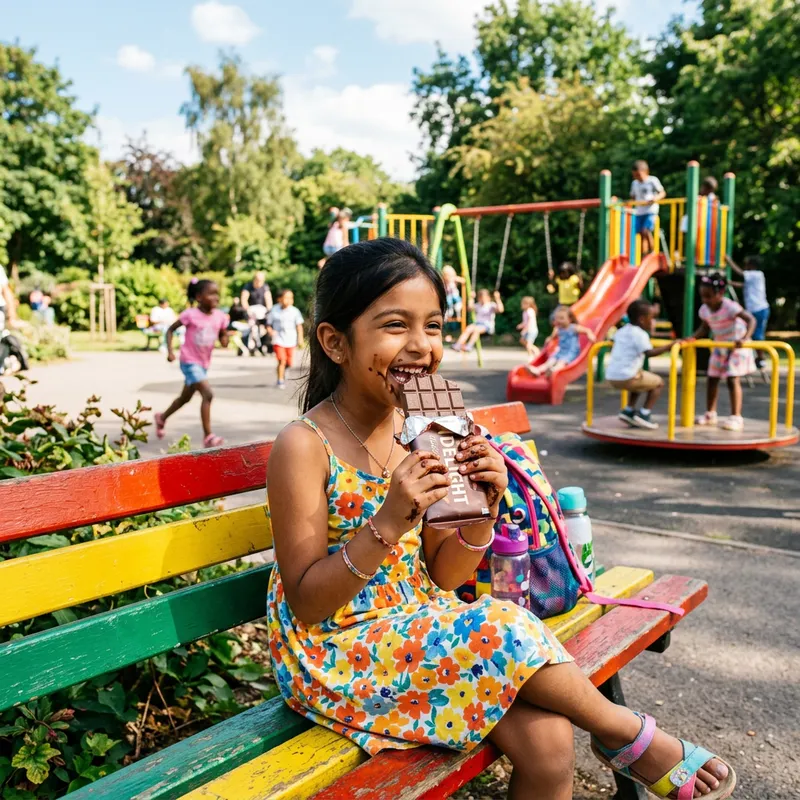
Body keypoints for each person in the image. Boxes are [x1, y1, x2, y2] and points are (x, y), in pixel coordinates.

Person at [265, 237, 734, 800]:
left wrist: (483, 512)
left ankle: (615, 736)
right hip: (336, 652)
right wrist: (387, 523)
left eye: (433, 326)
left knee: (550, 744)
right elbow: (308, 603)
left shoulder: (428, 426)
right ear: (335, 342)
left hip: (416, 626)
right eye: (395, 326)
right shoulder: (304, 445)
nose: (421, 346)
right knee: (503, 624)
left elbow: (444, 577)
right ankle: (625, 734)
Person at [154, 280, 229, 448]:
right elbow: (170, 329)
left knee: (185, 398)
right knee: (207, 394)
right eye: (211, 294)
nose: (216, 298)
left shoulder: (220, 316)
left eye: (217, 294)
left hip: (203, 364)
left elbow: (223, 334)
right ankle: (208, 436)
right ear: (199, 297)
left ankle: (162, 417)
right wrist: (170, 351)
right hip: (189, 361)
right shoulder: (190, 314)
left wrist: (225, 339)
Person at [607, 299, 684, 430]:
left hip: (612, 376)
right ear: (642, 320)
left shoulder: (622, 330)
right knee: (659, 383)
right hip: (627, 376)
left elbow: (612, 339)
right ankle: (644, 414)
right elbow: (649, 352)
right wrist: (670, 346)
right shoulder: (640, 334)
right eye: (652, 318)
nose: (653, 321)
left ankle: (628, 410)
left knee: (641, 378)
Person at [693, 273, 756, 432]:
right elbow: (705, 328)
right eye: (702, 296)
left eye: (709, 296)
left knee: (732, 379)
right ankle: (710, 413)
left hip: (736, 345)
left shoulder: (730, 307)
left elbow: (751, 320)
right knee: (712, 378)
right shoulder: (704, 310)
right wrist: (691, 338)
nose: (705, 300)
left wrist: (744, 338)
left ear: (720, 293)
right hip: (720, 345)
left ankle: (736, 417)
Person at [525, 305, 596, 377]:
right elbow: (552, 337)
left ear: (570, 319)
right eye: (557, 318)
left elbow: (587, 330)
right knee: (550, 361)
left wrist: (590, 334)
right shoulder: (558, 329)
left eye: (562, 318)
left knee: (561, 362)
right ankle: (538, 370)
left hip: (571, 352)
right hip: (561, 351)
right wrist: (549, 339)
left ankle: (554, 370)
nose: (559, 320)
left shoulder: (573, 328)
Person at [728, 253, 769, 370]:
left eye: (746, 264)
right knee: (749, 332)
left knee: (757, 335)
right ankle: (756, 357)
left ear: (752, 265)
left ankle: (761, 359)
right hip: (754, 309)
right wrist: (729, 283)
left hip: (759, 309)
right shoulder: (753, 277)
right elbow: (743, 285)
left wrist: (729, 261)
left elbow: (740, 273)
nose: (745, 266)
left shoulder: (757, 274)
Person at [266, 289, 304, 389]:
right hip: (278, 339)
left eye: (291, 298)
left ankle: (284, 369)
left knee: (289, 362)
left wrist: (300, 338)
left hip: (290, 339)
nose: (289, 300)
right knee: (281, 360)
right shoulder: (274, 310)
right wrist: (271, 331)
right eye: (286, 297)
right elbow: (268, 324)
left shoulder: (295, 311)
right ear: (279, 299)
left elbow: (299, 326)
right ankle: (280, 380)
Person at [630, 160, 666, 256]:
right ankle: (644, 253)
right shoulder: (634, 183)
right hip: (639, 211)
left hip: (650, 210)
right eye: (635, 176)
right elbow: (633, 196)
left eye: (639, 175)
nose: (637, 177)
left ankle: (652, 251)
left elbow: (662, 193)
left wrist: (655, 198)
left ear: (646, 172)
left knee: (646, 230)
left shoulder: (652, 180)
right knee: (640, 233)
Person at [441, 265, 464, 343]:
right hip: (449, 296)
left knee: (457, 301)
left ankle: (458, 311)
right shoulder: (444, 281)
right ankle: (448, 312)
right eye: (446, 275)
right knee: (448, 301)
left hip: (455, 294)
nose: (448, 277)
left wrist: (455, 278)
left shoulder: (454, 279)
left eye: (449, 275)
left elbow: (462, 280)